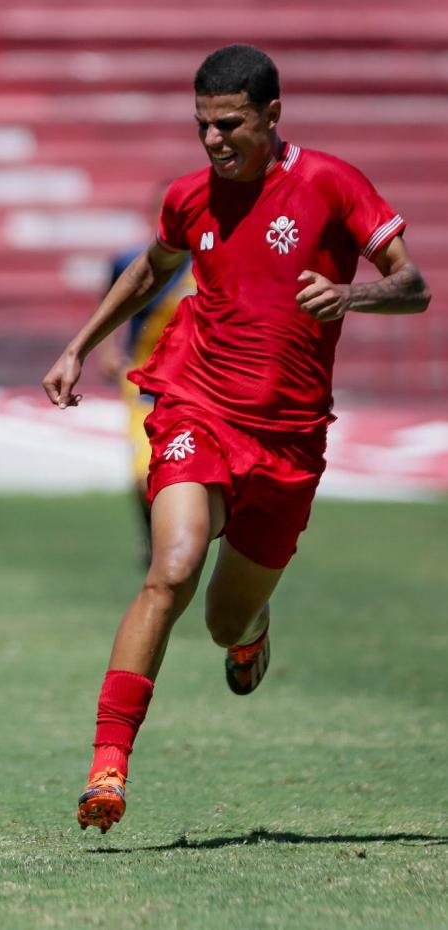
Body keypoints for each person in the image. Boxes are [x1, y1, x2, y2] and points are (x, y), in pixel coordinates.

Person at [41, 45, 430, 833]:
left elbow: (413, 286)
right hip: (198, 404)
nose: (214, 140)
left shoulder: (329, 183)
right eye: (202, 126)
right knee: (172, 568)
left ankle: (250, 634)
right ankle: (108, 769)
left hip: (289, 437)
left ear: (271, 115)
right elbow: (149, 274)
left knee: (223, 620)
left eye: (229, 124)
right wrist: (79, 344)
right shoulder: (191, 197)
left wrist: (351, 294)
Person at [96, 241, 194, 567]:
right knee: (144, 477)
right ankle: (152, 532)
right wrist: (108, 347)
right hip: (145, 383)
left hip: (195, 387)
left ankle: (177, 543)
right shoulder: (131, 259)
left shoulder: (210, 261)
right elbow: (112, 298)